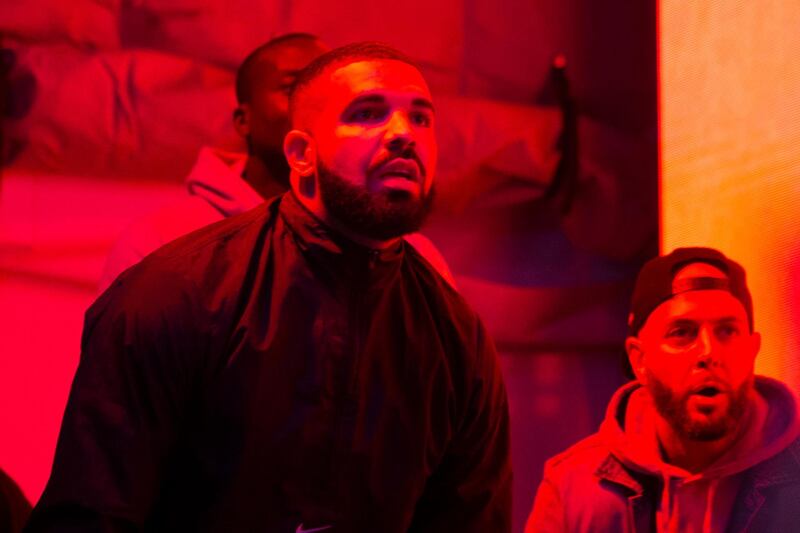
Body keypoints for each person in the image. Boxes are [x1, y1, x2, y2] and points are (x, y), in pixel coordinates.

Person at [27, 42, 511, 532]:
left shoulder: (455, 333)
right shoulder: (177, 287)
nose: (403, 134)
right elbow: (94, 508)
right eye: (368, 113)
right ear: (301, 153)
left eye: (422, 119)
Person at [98, 33, 454, 292]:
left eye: (334, 95)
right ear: (243, 120)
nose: (314, 105)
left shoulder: (416, 259)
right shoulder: (165, 243)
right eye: (293, 88)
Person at [524, 247, 800, 532]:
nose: (708, 352)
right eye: (682, 332)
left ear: (752, 351)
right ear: (639, 360)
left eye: (727, 331)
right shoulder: (573, 488)